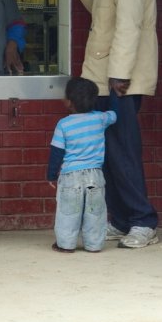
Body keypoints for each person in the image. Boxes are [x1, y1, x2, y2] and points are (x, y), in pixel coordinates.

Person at [72, 0, 159, 249]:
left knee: (123, 150)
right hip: (107, 73)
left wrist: (120, 73)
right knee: (110, 151)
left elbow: (129, 21)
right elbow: (103, 10)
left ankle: (143, 221)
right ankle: (122, 220)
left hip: (120, 77)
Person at [47, 77, 119, 254]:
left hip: (70, 177)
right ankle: (94, 245)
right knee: (95, 214)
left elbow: (56, 153)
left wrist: (51, 175)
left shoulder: (63, 124)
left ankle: (65, 244)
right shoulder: (100, 119)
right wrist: (114, 92)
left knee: (68, 214)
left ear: (69, 102)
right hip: (95, 176)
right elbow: (114, 114)